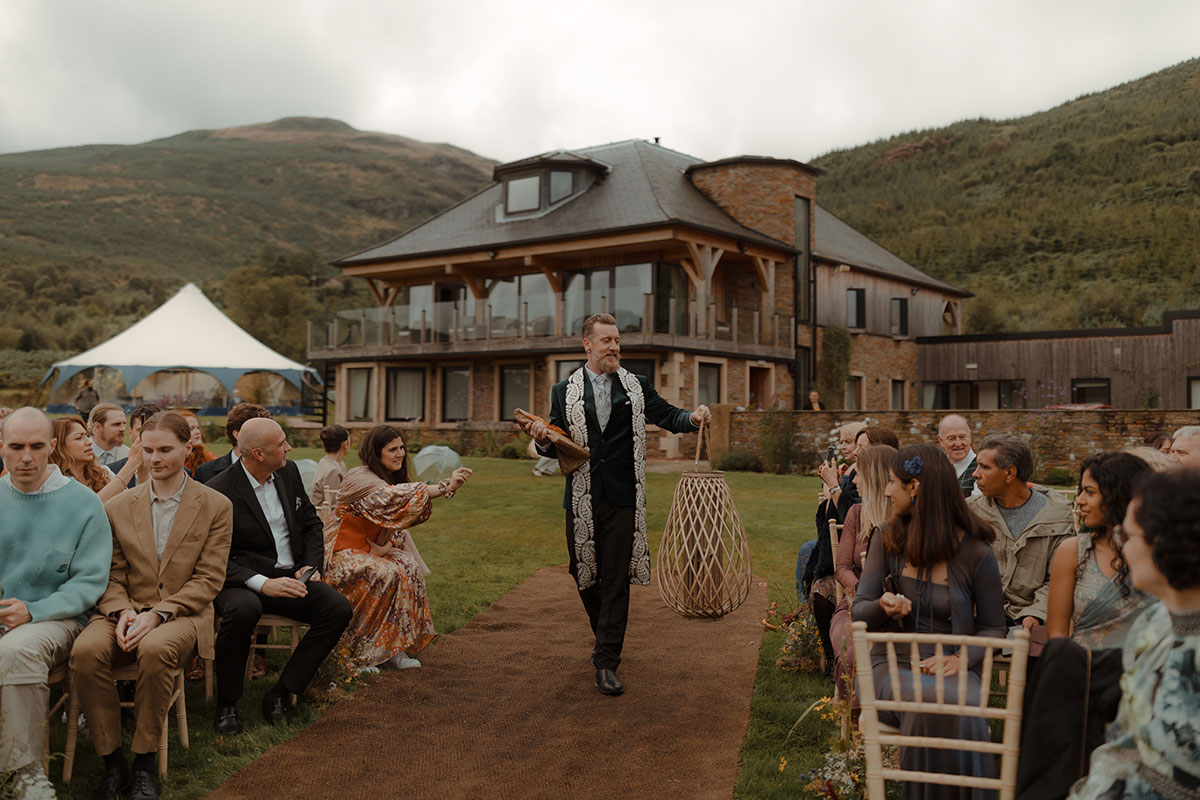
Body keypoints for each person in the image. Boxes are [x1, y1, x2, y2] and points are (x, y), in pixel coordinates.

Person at [521, 313, 708, 696]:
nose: (614, 347)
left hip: (624, 496)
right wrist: (541, 438)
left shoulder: (636, 386)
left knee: (616, 578)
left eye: (617, 340)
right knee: (583, 573)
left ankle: (607, 661)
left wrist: (692, 417)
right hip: (582, 497)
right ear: (587, 345)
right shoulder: (563, 390)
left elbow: (667, 415)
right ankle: (606, 635)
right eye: (607, 341)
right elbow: (556, 441)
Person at [69, 412, 233, 800]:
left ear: (187, 448)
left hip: (182, 612)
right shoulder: (119, 506)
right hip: (122, 609)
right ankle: (113, 763)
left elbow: (209, 579)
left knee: (156, 649)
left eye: (165, 450)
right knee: (85, 651)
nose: (155, 458)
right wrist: (123, 612)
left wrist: (158, 615)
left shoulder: (216, 505)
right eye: (147, 449)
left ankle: (144, 762)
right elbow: (110, 573)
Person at [852, 443, 1006, 800]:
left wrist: (961, 659)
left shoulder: (975, 552)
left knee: (949, 700)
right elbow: (859, 611)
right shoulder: (887, 539)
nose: (886, 491)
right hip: (891, 664)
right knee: (931, 701)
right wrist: (883, 606)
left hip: (952, 666)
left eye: (892, 482)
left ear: (915, 487)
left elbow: (994, 627)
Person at [206, 418, 351, 733]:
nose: (289, 447)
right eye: (282, 443)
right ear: (258, 454)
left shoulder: (288, 472)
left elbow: (311, 523)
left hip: (291, 576)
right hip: (242, 581)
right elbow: (213, 556)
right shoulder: (219, 490)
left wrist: (310, 566)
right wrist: (263, 584)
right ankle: (227, 704)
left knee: (337, 608)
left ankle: (281, 692)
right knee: (243, 611)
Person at [0, 408, 112, 800]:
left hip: (58, 617)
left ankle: (23, 772)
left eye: (36, 446)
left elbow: (90, 581)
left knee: (15, 651)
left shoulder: (83, 503)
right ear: (1, 447)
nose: (26, 457)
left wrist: (34, 611)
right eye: (16, 447)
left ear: (51, 446)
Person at [1068, 469, 1200, 799]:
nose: (1122, 547)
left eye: (1127, 535)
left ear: (1165, 542)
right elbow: (1123, 742)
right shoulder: (1153, 623)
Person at [323, 425, 471, 673]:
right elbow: (392, 498)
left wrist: (385, 548)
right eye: (392, 449)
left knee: (409, 567)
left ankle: (392, 648)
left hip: (369, 552)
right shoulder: (360, 477)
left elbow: (397, 523)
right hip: (340, 554)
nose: (400, 453)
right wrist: (446, 486)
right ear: (375, 453)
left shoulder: (389, 479)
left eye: (402, 447)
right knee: (385, 573)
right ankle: (360, 654)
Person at [1045, 452, 1156, 648]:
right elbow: (1057, 634)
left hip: (1148, 663)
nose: (1080, 500)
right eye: (1081, 491)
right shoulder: (1074, 551)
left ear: (1119, 495)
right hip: (1085, 663)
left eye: (1090, 492)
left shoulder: (1159, 553)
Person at [968, 434, 1074, 630]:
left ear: (1009, 473)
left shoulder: (1058, 517)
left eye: (984, 467)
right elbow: (957, 566)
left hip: (1028, 623)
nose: (975, 474)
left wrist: (1036, 613)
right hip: (976, 617)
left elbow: (1058, 579)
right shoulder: (970, 512)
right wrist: (967, 598)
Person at [829, 443, 895, 698]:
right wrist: (861, 589)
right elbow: (842, 567)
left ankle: (884, 711)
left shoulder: (906, 518)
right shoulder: (856, 513)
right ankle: (855, 717)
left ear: (876, 478)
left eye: (860, 475)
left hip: (896, 608)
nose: (854, 481)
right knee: (852, 653)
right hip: (854, 603)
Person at [807, 421, 865, 677]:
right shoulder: (852, 472)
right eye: (844, 442)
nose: (845, 447)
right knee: (817, 583)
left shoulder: (866, 476)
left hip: (854, 556)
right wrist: (832, 486)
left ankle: (836, 657)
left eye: (849, 442)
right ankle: (831, 656)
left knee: (820, 585)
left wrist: (834, 486)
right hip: (841, 554)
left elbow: (852, 513)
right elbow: (826, 517)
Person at [49, 416, 138, 503]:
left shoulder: (103, 473)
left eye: (86, 436)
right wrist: (132, 464)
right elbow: (90, 507)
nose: (89, 442)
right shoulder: (55, 484)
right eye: (79, 438)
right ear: (59, 445)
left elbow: (131, 502)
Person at [195, 403, 271, 484]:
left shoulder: (277, 469)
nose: (266, 437)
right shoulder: (205, 473)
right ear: (237, 434)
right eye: (259, 432)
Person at [107, 405, 163, 488]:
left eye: (153, 430)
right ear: (130, 433)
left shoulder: (178, 471)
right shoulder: (112, 471)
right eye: (140, 430)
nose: (147, 436)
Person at [936, 413, 980, 496]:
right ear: (941, 440)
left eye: (962, 437)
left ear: (969, 437)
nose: (958, 443)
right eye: (951, 438)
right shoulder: (936, 468)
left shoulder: (982, 468)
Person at [309, 424, 349, 509]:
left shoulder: (327, 461)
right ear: (345, 444)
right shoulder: (332, 471)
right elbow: (333, 505)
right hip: (322, 514)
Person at [177, 409, 217, 474]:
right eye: (191, 429)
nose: (197, 432)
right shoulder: (174, 461)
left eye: (198, 428)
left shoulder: (210, 458)